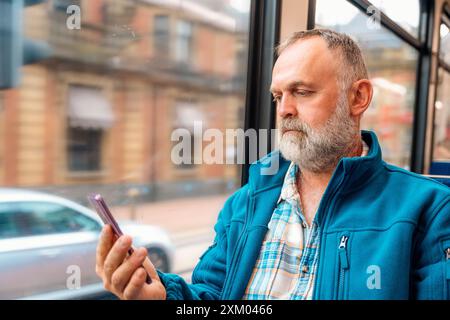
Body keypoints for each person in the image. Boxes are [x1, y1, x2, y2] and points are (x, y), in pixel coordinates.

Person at [95, 29, 450, 300]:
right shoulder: (245, 204)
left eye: (303, 92)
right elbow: (211, 295)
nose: (284, 110)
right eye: (278, 96)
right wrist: (163, 294)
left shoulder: (430, 209)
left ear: (358, 97)